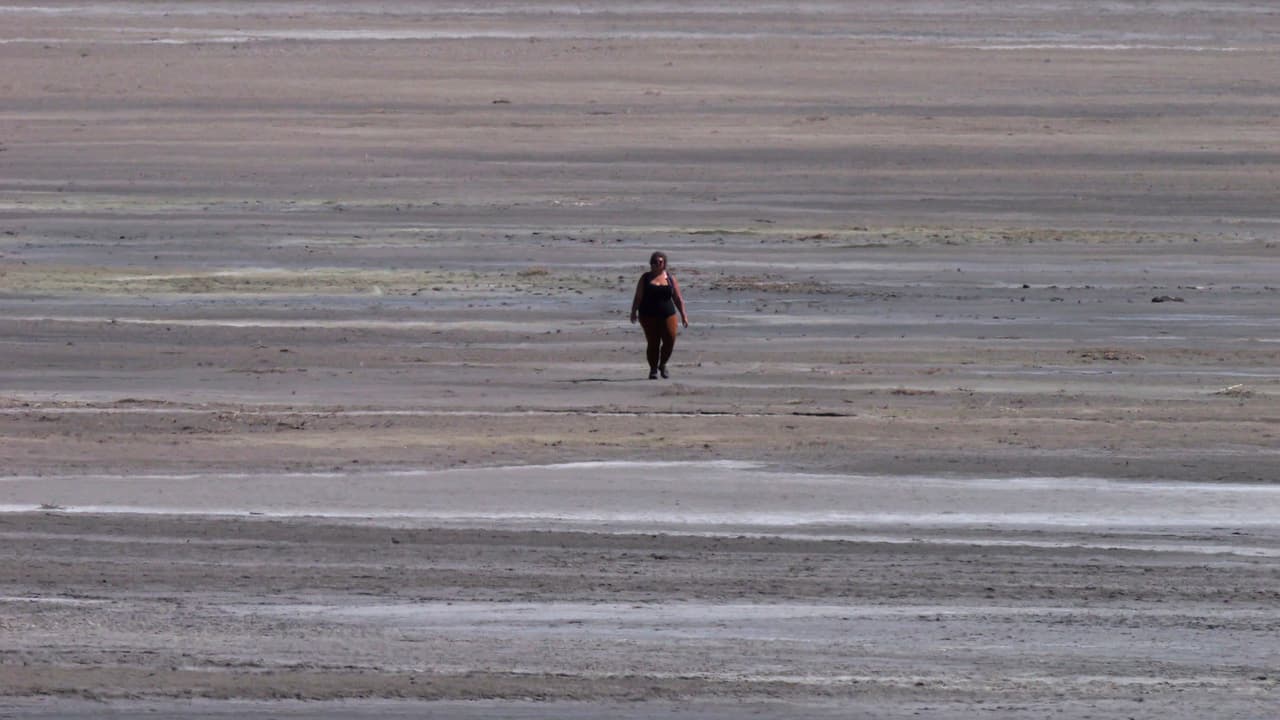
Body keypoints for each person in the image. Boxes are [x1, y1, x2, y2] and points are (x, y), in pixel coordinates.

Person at [630, 251, 689, 379]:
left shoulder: (670, 278)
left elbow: (678, 298)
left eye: (660, 262)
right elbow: (638, 297)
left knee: (670, 340)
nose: (657, 264)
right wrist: (633, 312)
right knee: (653, 342)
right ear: (651, 263)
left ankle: (662, 364)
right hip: (647, 315)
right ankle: (653, 369)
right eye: (655, 262)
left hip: (668, 315)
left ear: (664, 264)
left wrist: (684, 315)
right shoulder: (645, 278)